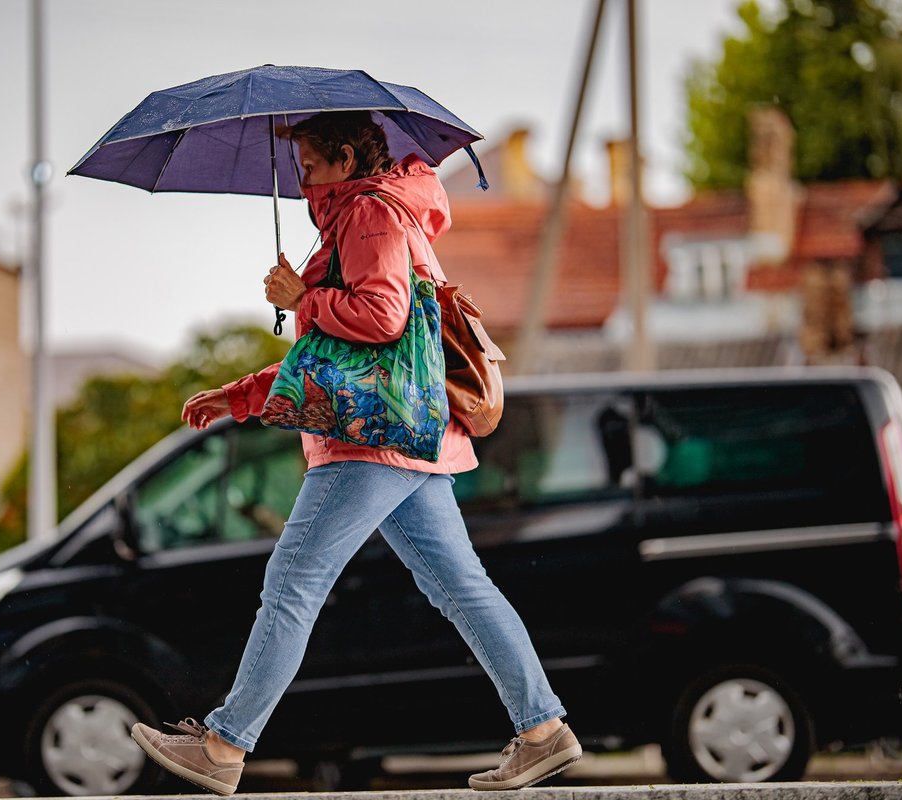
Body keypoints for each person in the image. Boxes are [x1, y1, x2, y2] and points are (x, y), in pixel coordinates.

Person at [130, 111, 580, 795]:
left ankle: (223, 746)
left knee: (292, 586)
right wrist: (242, 395)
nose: (301, 180)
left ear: (345, 158)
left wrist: (303, 296)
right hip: (406, 435)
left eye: (309, 164)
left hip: (371, 437)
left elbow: (381, 317)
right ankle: (543, 731)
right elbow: (334, 355)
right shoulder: (369, 216)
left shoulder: (368, 213)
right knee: (461, 586)